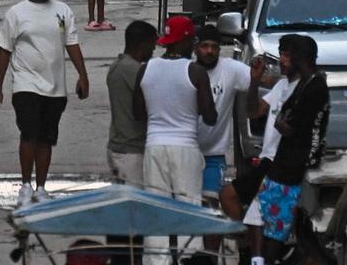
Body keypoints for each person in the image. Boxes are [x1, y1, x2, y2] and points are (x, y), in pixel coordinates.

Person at [0, 0, 89, 208]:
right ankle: (25, 185)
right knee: (29, 134)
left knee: (46, 139)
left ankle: (41, 187)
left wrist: (83, 75)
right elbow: (5, 52)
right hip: (26, 85)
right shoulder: (17, 14)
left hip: (55, 87)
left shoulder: (63, 11)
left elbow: (72, 45)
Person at [131, 16, 217, 265]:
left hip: (154, 146)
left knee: (156, 206)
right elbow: (210, 116)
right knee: (188, 206)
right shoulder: (195, 71)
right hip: (185, 147)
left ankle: (156, 261)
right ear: (187, 40)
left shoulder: (146, 69)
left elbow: (138, 114)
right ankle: (188, 259)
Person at [252, 34, 327, 265]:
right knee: (264, 219)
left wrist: (283, 120)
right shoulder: (304, 84)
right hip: (287, 165)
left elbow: (289, 127)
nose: (282, 60)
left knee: (273, 226)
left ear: (299, 58)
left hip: (291, 168)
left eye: (286, 55)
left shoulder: (309, 87)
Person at [195, 24, 252, 260]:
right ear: (196, 47)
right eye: (205, 46)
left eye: (215, 47)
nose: (210, 51)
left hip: (213, 155)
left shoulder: (231, 70)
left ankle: (210, 257)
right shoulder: (185, 69)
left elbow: (261, 80)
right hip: (184, 152)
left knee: (212, 209)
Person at [106, 20, 157, 185]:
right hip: (130, 150)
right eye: (152, 45)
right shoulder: (132, 70)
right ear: (141, 45)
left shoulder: (117, 66)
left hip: (120, 146)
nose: (153, 50)